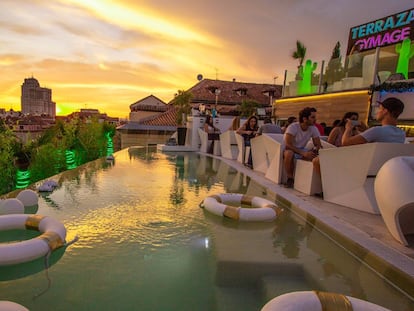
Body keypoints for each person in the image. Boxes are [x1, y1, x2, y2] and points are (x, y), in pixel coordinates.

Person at [283, 107, 322, 188]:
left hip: (302, 149)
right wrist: (303, 153)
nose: (315, 120)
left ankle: (311, 184)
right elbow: (288, 145)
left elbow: (318, 144)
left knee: (314, 157)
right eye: (313, 117)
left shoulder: (313, 128)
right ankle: (290, 178)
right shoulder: (293, 127)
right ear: (304, 119)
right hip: (290, 149)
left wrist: (315, 150)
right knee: (289, 154)